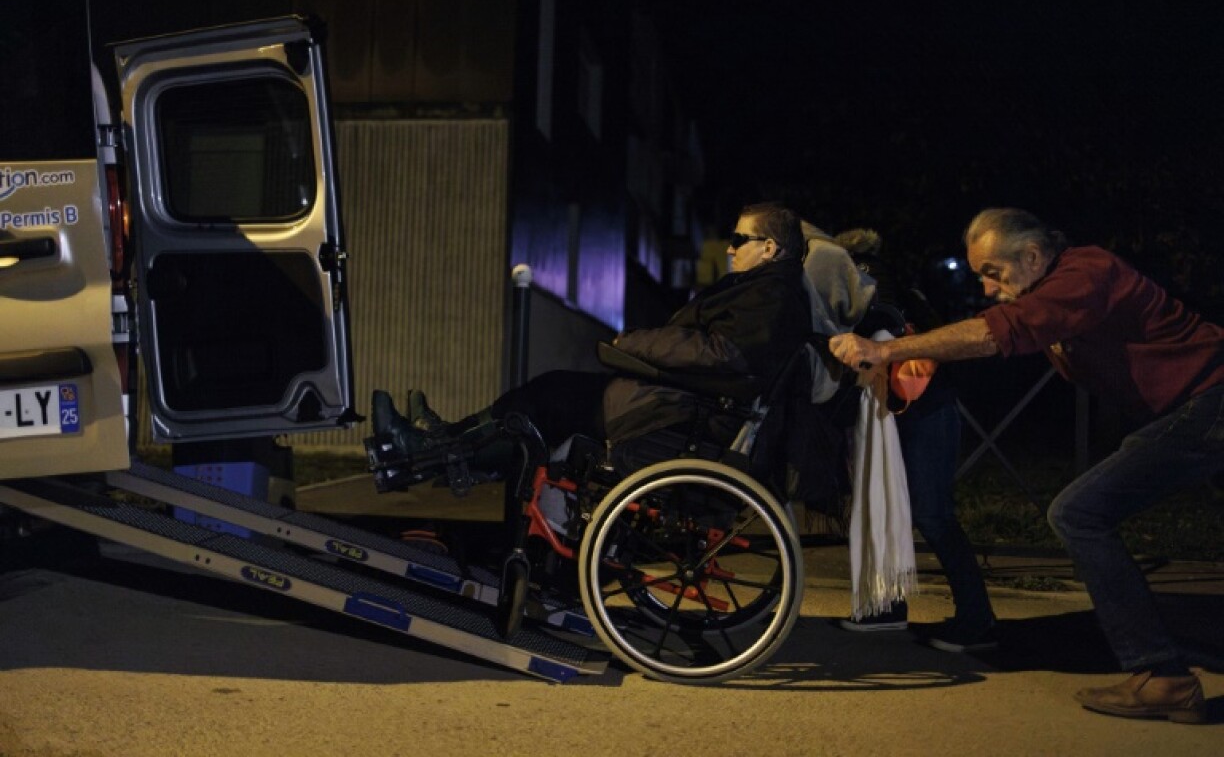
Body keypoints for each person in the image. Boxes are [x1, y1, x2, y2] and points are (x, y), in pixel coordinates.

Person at [829, 207, 1223, 723]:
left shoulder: (1084, 273)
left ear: (1032, 256)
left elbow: (994, 333)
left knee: (1078, 513)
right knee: (1082, 512)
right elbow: (1003, 338)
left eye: (994, 273)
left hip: (1208, 400)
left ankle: (1164, 676)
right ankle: (1162, 675)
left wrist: (888, 351)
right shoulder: (1056, 292)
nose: (989, 288)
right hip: (1196, 408)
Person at [372, 201, 812, 479]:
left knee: (546, 400)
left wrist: (635, 344)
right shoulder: (769, 292)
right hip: (680, 404)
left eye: (739, 239)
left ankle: (435, 452)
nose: (730, 248)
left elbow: (720, 353)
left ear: (770, 248)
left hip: (681, 415)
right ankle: (443, 441)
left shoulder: (770, 295)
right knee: (547, 393)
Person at [831, 228, 997, 653]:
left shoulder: (867, 276)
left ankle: (977, 620)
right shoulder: (900, 280)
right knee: (906, 508)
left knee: (931, 512)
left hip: (918, 408)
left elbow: (883, 318)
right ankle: (888, 607)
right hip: (923, 405)